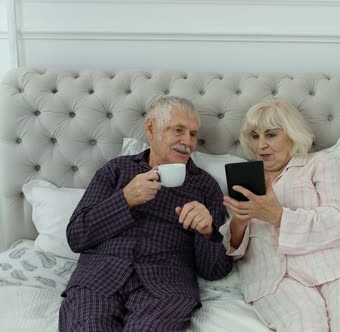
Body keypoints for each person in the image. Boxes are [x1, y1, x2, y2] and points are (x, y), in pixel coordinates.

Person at [220, 98, 340, 332]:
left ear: (292, 135)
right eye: (255, 136)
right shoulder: (245, 181)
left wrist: (278, 216)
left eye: (271, 135)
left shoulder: (321, 164)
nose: (261, 145)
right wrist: (239, 223)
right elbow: (233, 248)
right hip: (277, 279)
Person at [59, 96, 233, 331]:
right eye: (178, 130)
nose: (187, 142)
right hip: (99, 277)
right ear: (151, 128)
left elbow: (214, 271)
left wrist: (208, 232)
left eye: (192, 134)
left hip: (165, 287)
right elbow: (76, 236)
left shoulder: (205, 186)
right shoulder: (116, 170)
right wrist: (124, 199)